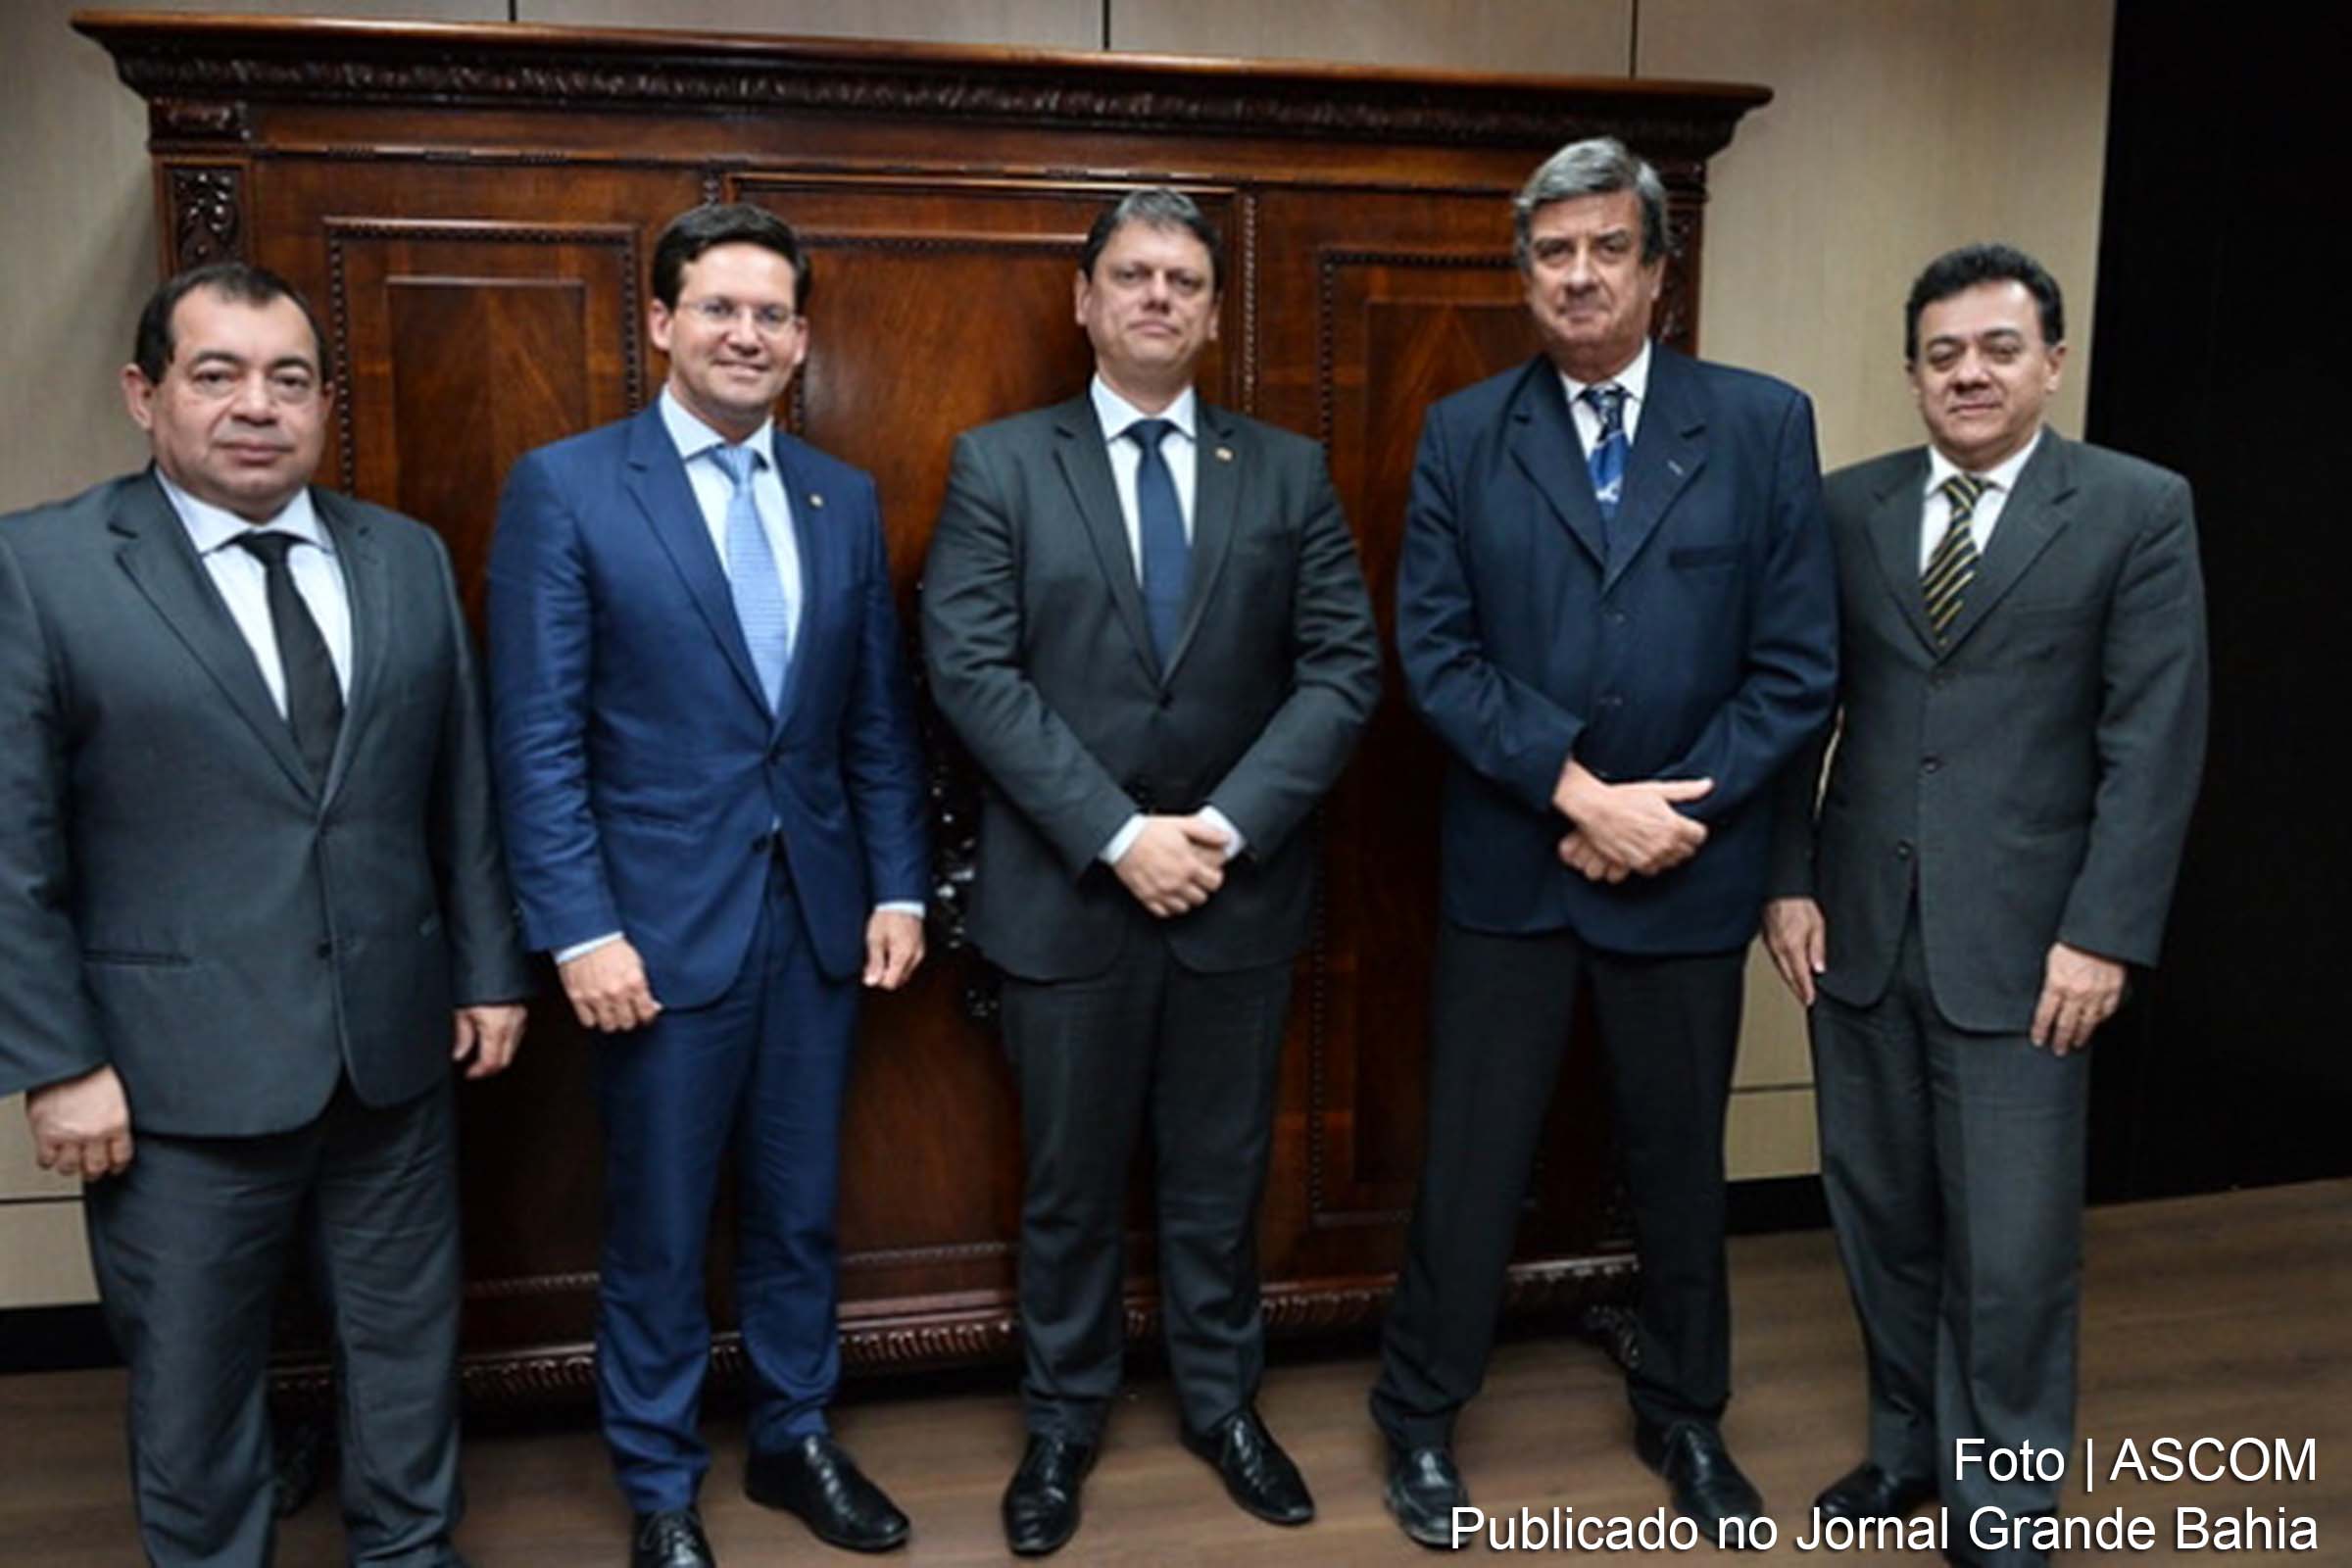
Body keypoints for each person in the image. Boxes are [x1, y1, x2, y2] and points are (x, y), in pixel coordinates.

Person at [0, 261, 530, 1566]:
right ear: (145, 394)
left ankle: (410, 1550)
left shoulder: (402, 556)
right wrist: (58, 1062)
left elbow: (458, 786)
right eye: (218, 374)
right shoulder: (43, 567)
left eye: (289, 379)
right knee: (193, 1386)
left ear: (325, 402)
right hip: (170, 1075)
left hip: (392, 1051)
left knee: (405, 1355)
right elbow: (12, 845)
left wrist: (488, 970)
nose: (257, 406)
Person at [1371, 136, 1838, 1546]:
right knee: (1471, 1163)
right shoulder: (1464, 432)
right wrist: (1580, 797)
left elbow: (1797, 668)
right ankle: (1418, 1416)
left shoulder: (1760, 424)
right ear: (1525, 275)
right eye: (1553, 252)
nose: (1579, 275)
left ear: (1658, 272)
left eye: (1607, 249)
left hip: (1689, 871)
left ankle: (1686, 1414)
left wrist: (1665, 815)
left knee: (1680, 1166)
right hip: (1515, 869)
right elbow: (1436, 656)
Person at [922, 187, 1380, 1557]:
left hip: (1237, 893)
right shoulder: (1000, 465)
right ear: (1085, 300)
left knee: (1220, 1178)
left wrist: (1221, 829)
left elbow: (1343, 671)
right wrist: (1123, 837)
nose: (1158, 298)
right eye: (1132, 275)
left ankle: (1223, 1405)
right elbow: (971, 671)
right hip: (1067, 894)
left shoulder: (1286, 471)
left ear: (1217, 312)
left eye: (1184, 279)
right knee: (1067, 1186)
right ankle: (1062, 1420)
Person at [487, 204, 930, 1568]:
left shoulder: (840, 496)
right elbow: (536, 736)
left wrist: (901, 889)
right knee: (660, 1229)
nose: (747, 334)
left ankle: (794, 1436)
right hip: (653, 936)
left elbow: (874, 724)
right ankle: (661, 1484)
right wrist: (579, 931)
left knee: (800, 1212)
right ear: (662, 322)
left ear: (801, 341)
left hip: (818, 924)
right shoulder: (568, 487)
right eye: (719, 308)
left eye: (773, 315)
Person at [1763, 243, 2207, 1568]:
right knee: (1881, 1218)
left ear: (2051, 364)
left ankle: (2003, 1496)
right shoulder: (1846, 507)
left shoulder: (2136, 508)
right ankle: (1908, 1452)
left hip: (2031, 948)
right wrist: (1787, 877)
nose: (1969, 373)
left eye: (1998, 349)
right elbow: (1798, 712)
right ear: (1912, 374)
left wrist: (2104, 933)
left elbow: (2155, 740)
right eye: (1943, 353)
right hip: (1856, 931)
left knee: (2011, 1251)